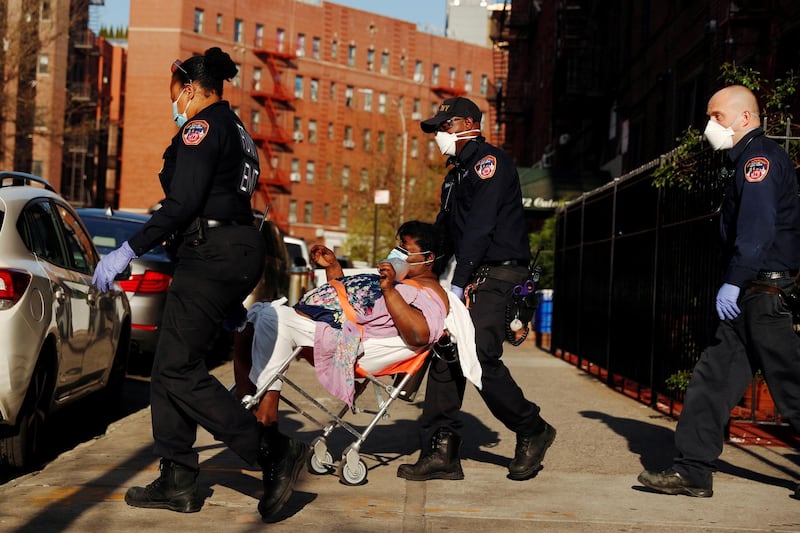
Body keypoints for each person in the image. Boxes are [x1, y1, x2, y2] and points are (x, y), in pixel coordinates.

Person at [91, 47, 302, 520]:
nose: (174, 100)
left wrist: (130, 249)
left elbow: (182, 203)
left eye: (174, 90)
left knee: (177, 372)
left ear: (188, 88)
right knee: (169, 365)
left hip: (211, 253)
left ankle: (271, 451)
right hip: (236, 248)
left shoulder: (200, 127)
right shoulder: (239, 130)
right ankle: (179, 479)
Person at [638, 85, 800, 499]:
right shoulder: (743, 160)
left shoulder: (758, 161)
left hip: (764, 292)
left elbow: (758, 229)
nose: (710, 126)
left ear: (745, 118)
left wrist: (735, 278)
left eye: (718, 117)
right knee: (712, 381)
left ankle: (692, 468)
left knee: (790, 386)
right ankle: (692, 470)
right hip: (751, 292)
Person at [397, 97, 556, 482]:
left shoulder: (490, 164)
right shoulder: (454, 176)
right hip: (471, 271)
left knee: (479, 354)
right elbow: (445, 232)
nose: (439, 136)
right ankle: (441, 451)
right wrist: (408, 262)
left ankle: (532, 429)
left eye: (444, 127)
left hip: (498, 274)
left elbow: (482, 228)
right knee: (446, 354)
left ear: (468, 123)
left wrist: (458, 279)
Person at [233, 221, 481, 429]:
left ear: (428, 258)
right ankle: (245, 399)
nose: (397, 252)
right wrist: (333, 268)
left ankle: (267, 414)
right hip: (330, 329)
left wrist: (388, 289)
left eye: (404, 248)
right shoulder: (402, 282)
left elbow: (419, 333)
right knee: (249, 317)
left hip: (353, 345)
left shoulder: (429, 293)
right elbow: (352, 305)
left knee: (272, 318)